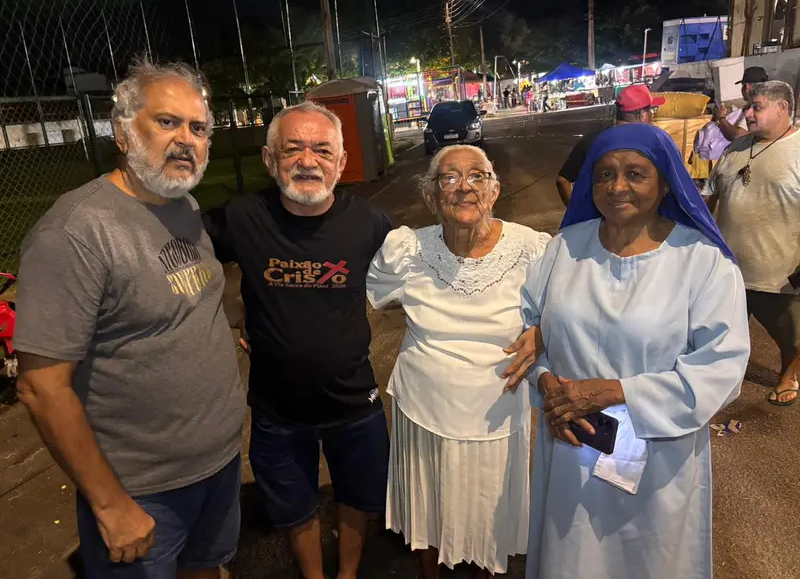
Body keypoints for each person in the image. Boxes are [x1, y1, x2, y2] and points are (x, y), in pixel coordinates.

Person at [14, 60, 246, 578]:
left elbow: (190, 303)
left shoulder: (182, 205)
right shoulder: (75, 232)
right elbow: (41, 387)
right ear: (122, 132)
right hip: (143, 490)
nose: (186, 140)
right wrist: (110, 504)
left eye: (198, 128)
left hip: (219, 463)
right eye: (167, 122)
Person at [523, 123, 751, 579]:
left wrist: (615, 392)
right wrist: (547, 384)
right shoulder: (565, 248)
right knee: (571, 555)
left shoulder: (700, 260)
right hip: (572, 441)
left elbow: (720, 366)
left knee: (648, 559)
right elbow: (528, 326)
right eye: (604, 174)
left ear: (665, 182)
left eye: (635, 173)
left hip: (657, 452)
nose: (617, 187)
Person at [202, 101, 391, 579]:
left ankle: (346, 575)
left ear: (341, 162)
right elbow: (177, 257)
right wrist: (229, 312)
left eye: (322, 150)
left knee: (359, 496)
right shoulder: (242, 218)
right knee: (293, 505)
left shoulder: (371, 223)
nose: (308, 161)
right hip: (277, 408)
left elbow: (429, 277)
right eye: (293, 149)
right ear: (270, 160)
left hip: (354, 400)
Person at [367, 145, 548, 579]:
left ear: (494, 190)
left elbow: (564, 305)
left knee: (489, 505)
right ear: (430, 195)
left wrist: (543, 333)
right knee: (429, 499)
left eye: (477, 176)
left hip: (498, 405)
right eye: (449, 178)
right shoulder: (407, 249)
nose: (464, 187)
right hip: (424, 405)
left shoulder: (531, 248)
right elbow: (376, 296)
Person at [703, 80, 800, 406]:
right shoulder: (735, 148)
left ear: (782, 108)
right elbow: (709, 196)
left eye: (757, 107)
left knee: (790, 334)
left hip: (780, 272)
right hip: (728, 267)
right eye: (749, 107)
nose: (748, 114)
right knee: (724, 331)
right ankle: (724, 378)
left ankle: (789, 373)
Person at [555, 83, 665, 207]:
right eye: (652, 110)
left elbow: (562, 180)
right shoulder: (649, 144)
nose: (653, 115)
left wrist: (575, 212)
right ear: (642, 115)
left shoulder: (593, 140)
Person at [713, 66, 769, 141]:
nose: (743, 89)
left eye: (743, 86)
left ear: (747, 87)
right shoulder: (770, 102)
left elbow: (738, 136)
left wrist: (721, 118)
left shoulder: (757, 107)